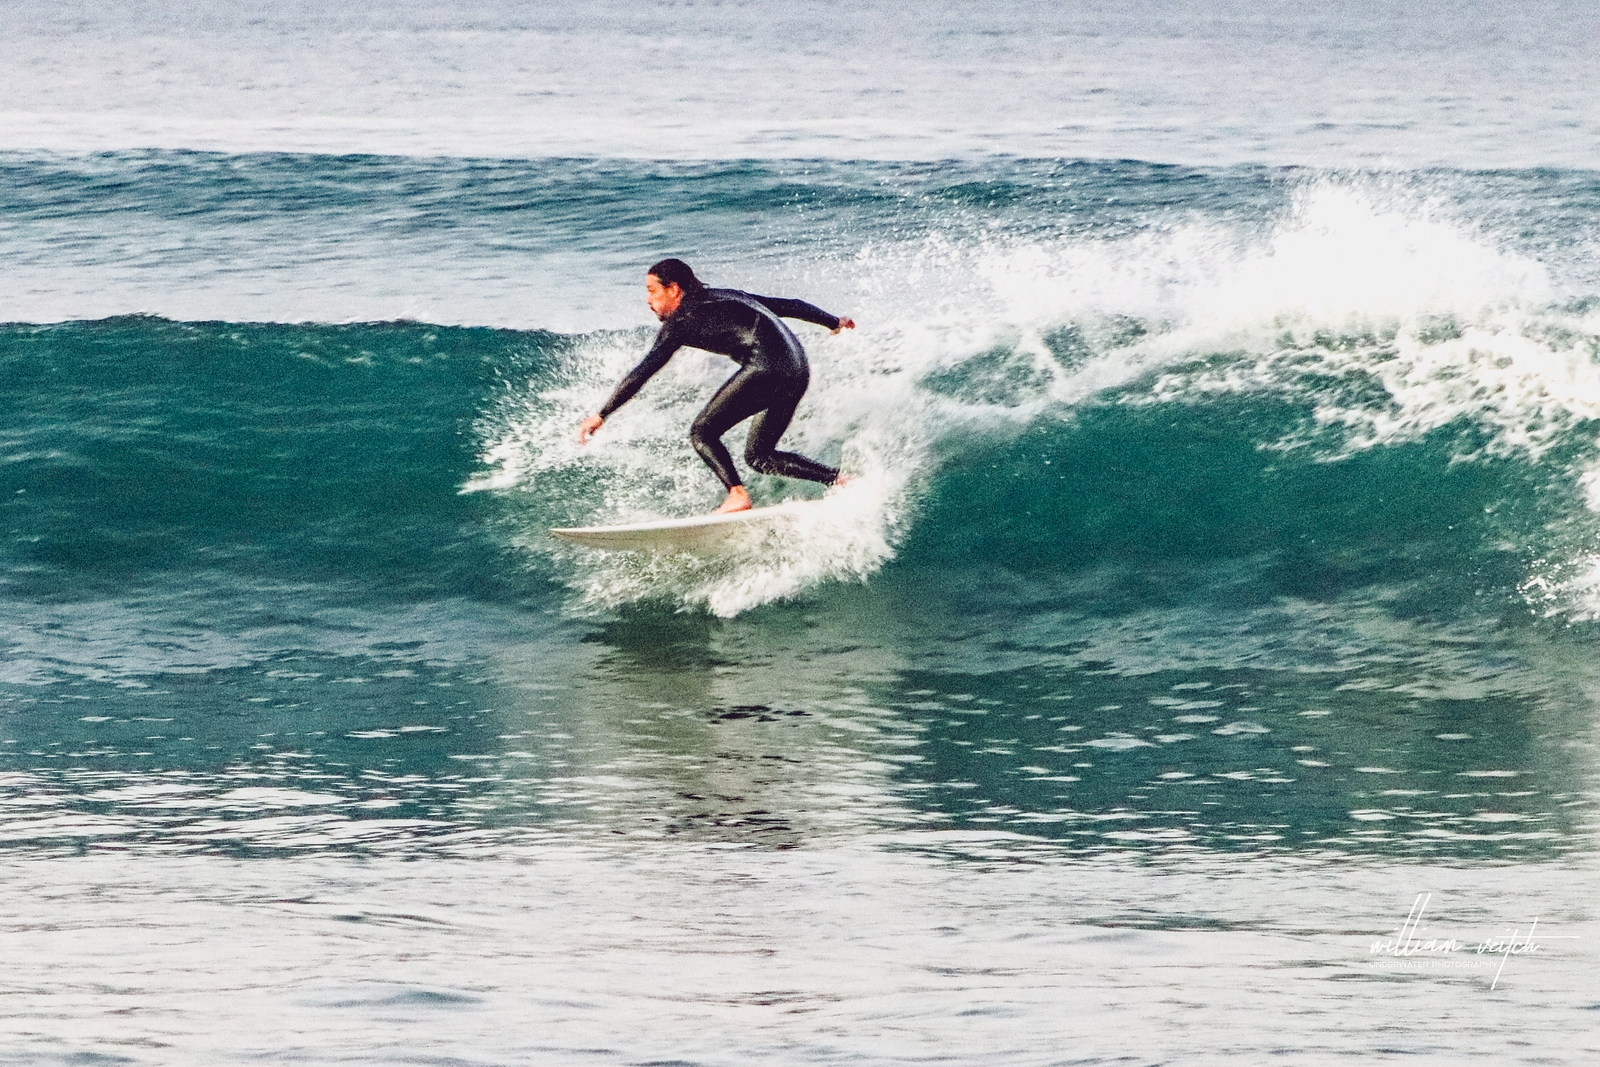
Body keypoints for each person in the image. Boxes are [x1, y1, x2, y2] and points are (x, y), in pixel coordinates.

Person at [577, 259, 856, 513]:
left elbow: (643, 371)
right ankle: (840, 479)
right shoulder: (728, 295)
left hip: (767, 366)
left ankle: (737, 495)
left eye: (652, 290)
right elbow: (789, 305)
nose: (648, 299)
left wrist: (602, 414)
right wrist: (833, 321)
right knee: (759, 456)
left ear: (673, 289)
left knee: (702, 431)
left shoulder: (679, 322)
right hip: (797, 368)